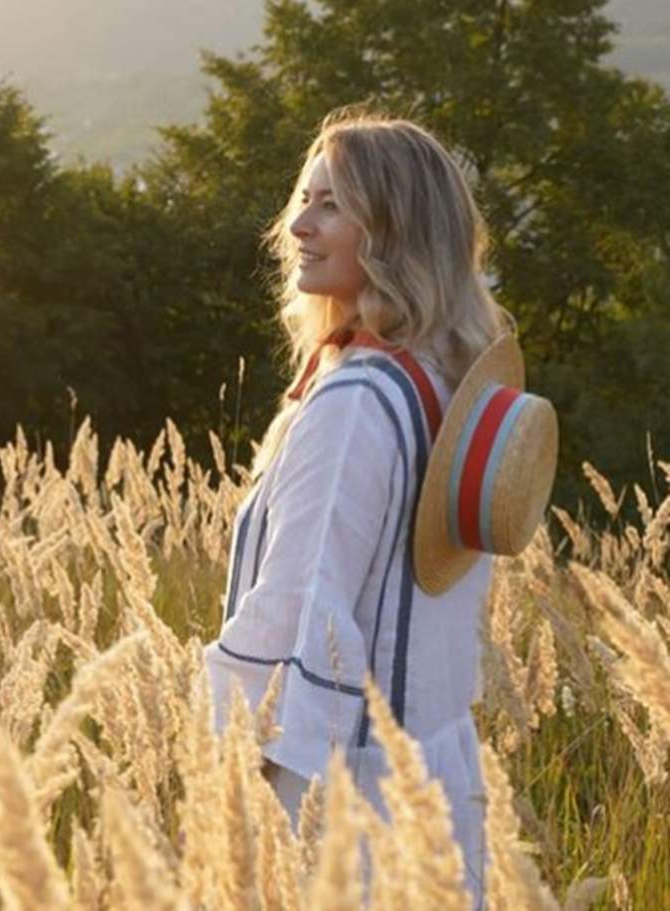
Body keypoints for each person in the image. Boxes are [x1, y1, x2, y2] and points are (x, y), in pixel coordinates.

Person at [202, 107, 558, 910]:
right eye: (305, 196)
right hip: (432, 775)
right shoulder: (444, 387)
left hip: (346, 804)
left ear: (394, 231)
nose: (298, 222)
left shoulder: (357, 401)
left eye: (331, 204)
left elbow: (302, 616)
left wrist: (205, 756)